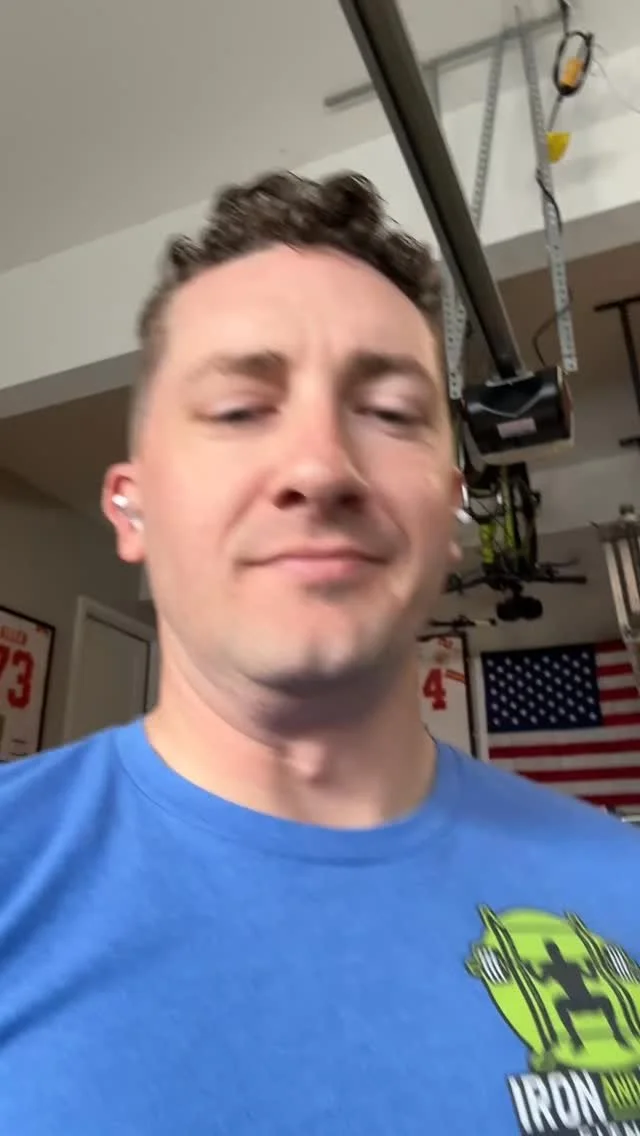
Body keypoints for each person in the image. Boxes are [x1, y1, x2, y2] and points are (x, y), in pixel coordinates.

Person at [0, 172, 638, 1136]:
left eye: (390, 412)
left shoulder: (624, 891)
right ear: (131, 507)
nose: (320, 468)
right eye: (239, 410)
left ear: (449, 509)